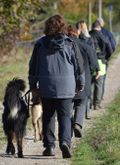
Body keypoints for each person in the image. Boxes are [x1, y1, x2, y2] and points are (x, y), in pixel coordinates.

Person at [28, 14, 84, 158]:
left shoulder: (40, 44)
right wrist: (81, 83)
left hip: (47, 86)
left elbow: (33, 66)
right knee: (65, 116)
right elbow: (78, 66)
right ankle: (65, 142)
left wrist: (33, 84)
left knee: (48, 116)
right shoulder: (70, 43)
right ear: (63, 26)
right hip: (66, 87)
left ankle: (49, 146)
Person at [68, 25, 99, 138]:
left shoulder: (65, 46)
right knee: (81, 103)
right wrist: (94, 71)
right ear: (78, 33)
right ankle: (77, 124)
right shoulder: (85, 46)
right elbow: (94, 63)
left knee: (68, 106)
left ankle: (68, 129)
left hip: (68, 82)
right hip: (83, 80)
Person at [76, 20, 100, 119]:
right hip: (87, 68)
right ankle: (86, 112)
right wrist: (96, 68)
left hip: (77, 68)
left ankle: (78, 114)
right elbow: (93, 54)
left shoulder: (74, 40)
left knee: (78, 91)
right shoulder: (90, 40)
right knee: (87, 90)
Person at [89, 20, 112, 110]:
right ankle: (96, 104)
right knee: (99, 83)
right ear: (100, 27)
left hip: (90, 62)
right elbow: (109, 49)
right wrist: (106, 58)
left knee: (90, 83)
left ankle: (89, 103)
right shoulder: (103, 36)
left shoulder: (89, 35)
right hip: (101, 61)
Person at [97, 18, 116, 100]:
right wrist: (107, 57)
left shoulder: (91, 32)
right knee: (102, 78)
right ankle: (100, 97)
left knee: (93, 79)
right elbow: (113, 46)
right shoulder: (108, 33)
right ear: (103, 24)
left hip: (93, 59)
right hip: (103, 59)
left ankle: (92, 100)